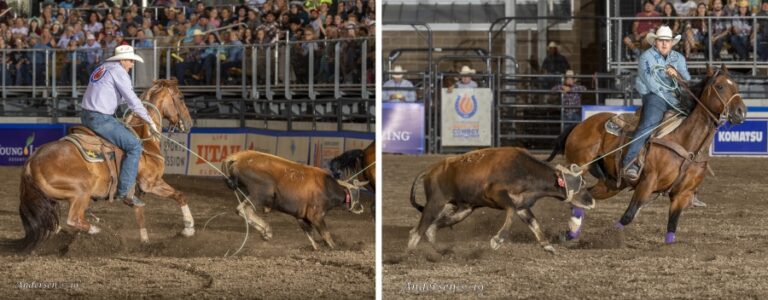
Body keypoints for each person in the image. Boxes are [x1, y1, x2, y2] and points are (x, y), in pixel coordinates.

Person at [80, 45, 160, 207]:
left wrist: (134, 100)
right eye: (130, 60)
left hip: (86, 115)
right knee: (134, 146)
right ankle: (125, 192)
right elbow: (131, 101)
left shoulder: (102, 68)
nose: (132, 64)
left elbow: (114, 94)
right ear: (123, 60)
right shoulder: (120, 72)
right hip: (101, 118)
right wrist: (150, 121)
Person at [623, 25, 691, 181]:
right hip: (654, 96)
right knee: (649, 123)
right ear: (655, 42)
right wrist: (675, 97)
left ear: (672, 43)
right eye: (661, 40)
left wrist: (677, 74)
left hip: (675, 97)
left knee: (695, 121)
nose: (665, 44)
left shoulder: (678, 58)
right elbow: (652, 83)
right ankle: (630, 162)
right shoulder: (646, 57)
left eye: (668, 41)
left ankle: (691, 165)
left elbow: (687, 80)